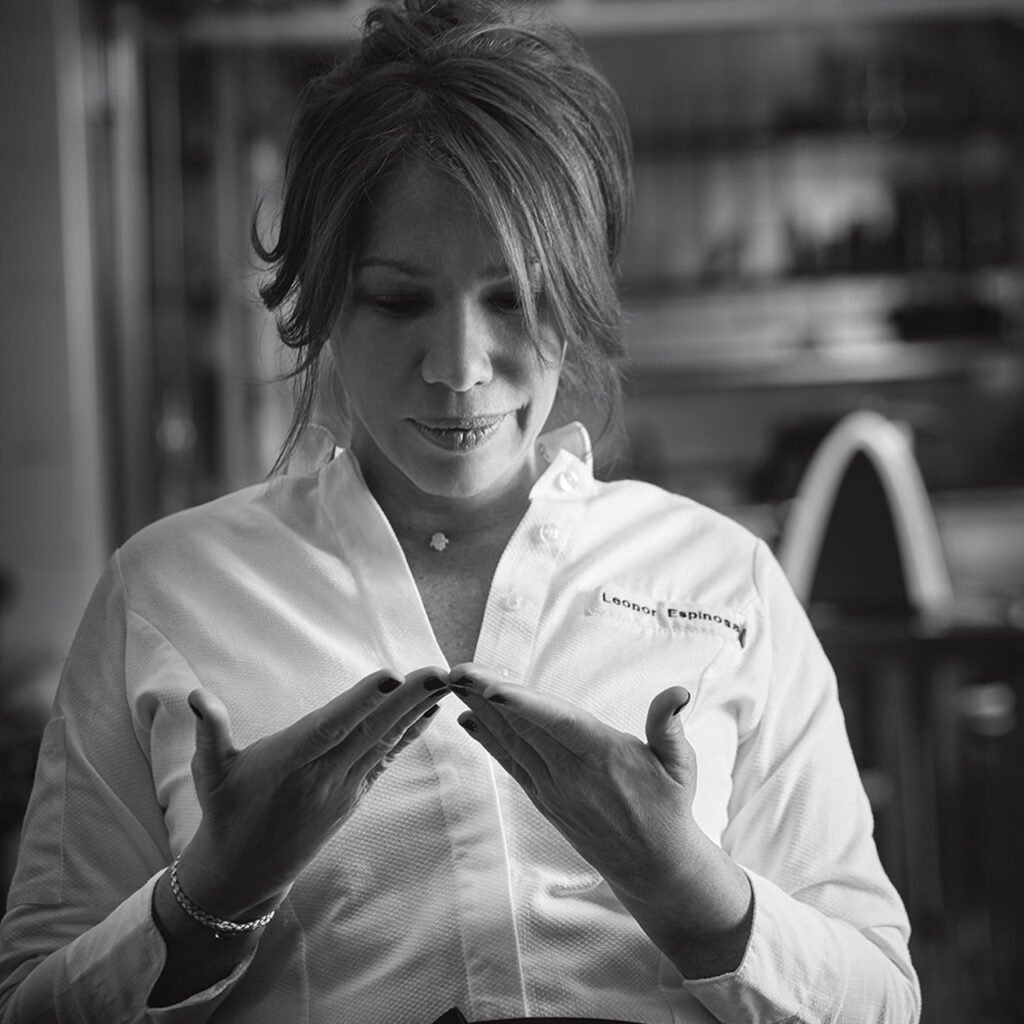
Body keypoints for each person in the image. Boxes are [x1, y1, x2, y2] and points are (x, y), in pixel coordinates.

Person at [0, 1, 921, 1021]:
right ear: (320, 299)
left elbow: (883, 1001)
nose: (458, 366)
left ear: (578, 296)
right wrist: (209, 897)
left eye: (513, 295)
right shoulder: (165, 592)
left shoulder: (721, 578)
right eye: (397, 300)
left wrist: (684, 884)